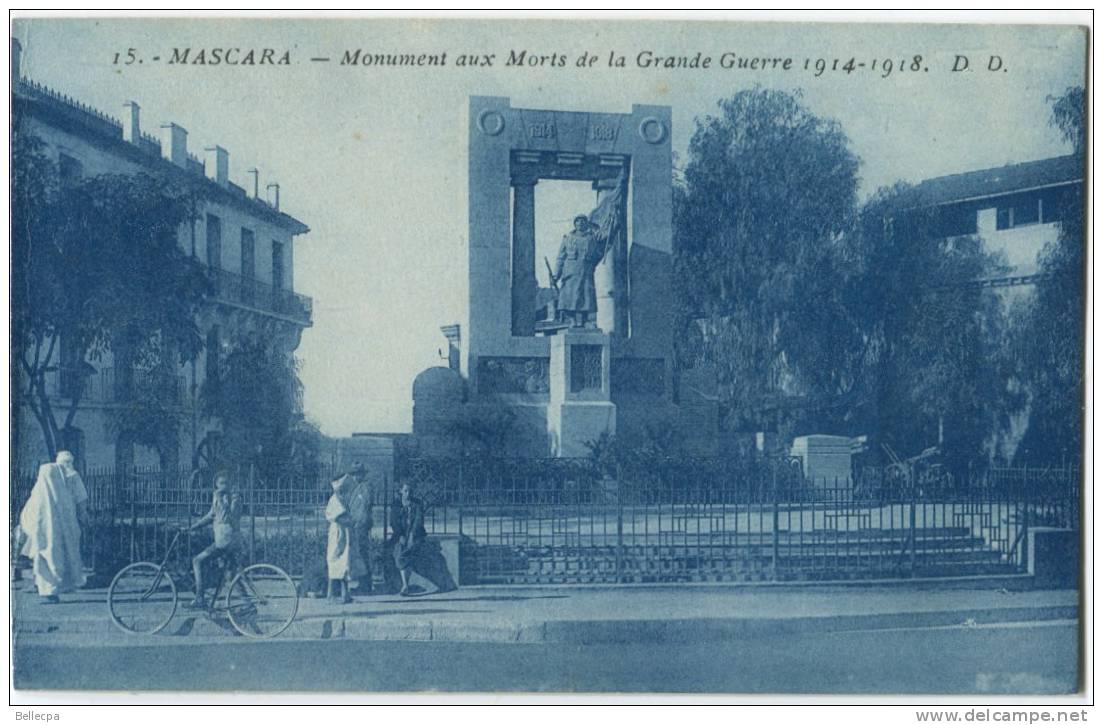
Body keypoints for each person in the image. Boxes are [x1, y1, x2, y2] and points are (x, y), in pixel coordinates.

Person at [18, 451, 89, 603]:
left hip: (44, 534)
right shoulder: (64, 487)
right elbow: (80, 500)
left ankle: (49, 590)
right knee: (59, 558)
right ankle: (52, 588)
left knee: (46, 560)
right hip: (56, 532)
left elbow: (28, 512)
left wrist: (30, 528)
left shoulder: (44, 488)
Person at [185, 471, 243, 609]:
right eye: (221, 483)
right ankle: (247, 603)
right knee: (230, 575)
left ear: (231, 484)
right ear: (216, 484)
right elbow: (211, 516)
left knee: (197, 560)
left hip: (226, 540)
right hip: (226, 540)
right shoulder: (218, 498)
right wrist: (192, 527)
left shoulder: (234, 498)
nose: (224, 486)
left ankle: (200, 598)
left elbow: (227, 517)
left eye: (226, 483)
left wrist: (220, 498)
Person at [325, 464, 369, 603]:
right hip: (338, 533)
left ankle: (345, 594)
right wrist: (351, 521)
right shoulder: (335, 499)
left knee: (345, 563)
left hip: (345, 533)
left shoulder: (342, 498)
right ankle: (331, 595)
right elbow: (338, 517)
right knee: (335, 561)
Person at [553, 215, 604, 328]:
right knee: (570, 297)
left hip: (586, 272)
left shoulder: (592, 238)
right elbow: (560, 258)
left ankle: (585, 321)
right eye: (578, 221)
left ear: (586, 224)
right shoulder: (567, 238)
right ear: (574, 224)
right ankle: (572, 320)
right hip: (570, 272)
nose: (580, 223)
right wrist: (556, 274)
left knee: (586, 296)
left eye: (583, 221)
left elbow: (598, 254)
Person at [390, 480, 426, 596]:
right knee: (399, 552)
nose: (408, 493)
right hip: (400, 534)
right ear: (401, 491)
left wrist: (412, 535)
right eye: (405, 491)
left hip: (415, 535)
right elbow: (393, 522)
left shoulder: (417, 503)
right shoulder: (396, 504)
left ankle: (405, 585)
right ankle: (405, 585)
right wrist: (400, 535)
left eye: (410, 491)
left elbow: (418, 521)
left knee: (407, 552)